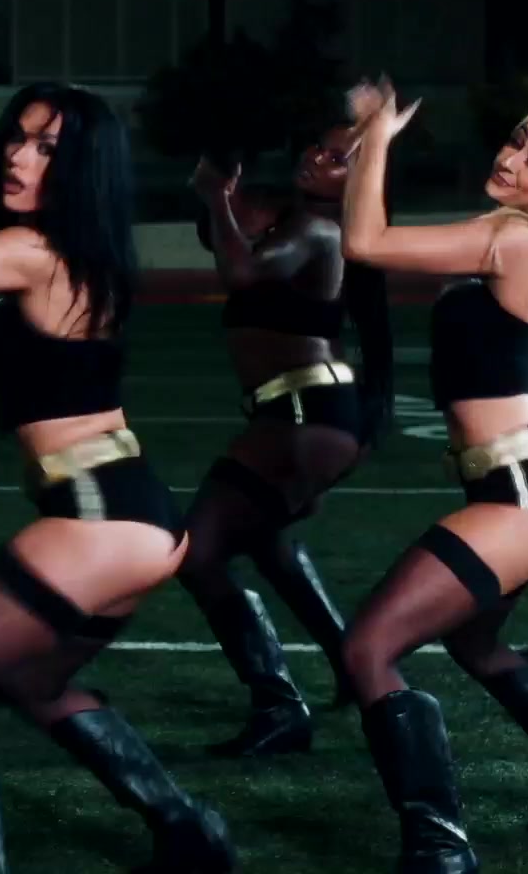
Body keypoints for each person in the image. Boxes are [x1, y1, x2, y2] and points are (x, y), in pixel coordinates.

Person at [0, 84, 234, 873]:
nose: (17, 155)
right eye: (17, 137)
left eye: (48, 148)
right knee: (34, 685)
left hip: (97, 515)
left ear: (82, 169)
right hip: (128, 513)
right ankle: (189, 831)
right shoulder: (55, 250)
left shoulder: (38, 255)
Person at [338, 85, 528, 872]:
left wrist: (377, 139)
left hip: (519, 496)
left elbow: (365, 242)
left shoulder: (514, 236)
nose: (510, 160)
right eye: (516, 142)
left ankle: (440, 847)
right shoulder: (514, 233)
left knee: (369, 648)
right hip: (518, 489)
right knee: (475, 644)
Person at [180, 116, 396, 757]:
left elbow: (243, 274)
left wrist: (215, 197)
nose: (317, 158)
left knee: (197, 552)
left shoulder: (319, 231)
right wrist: (220, 195)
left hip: (303, 414)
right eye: (318, 147)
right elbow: (225, 240)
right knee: (268, 542)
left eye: (338, 158)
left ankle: (278, 706)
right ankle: (350, 665)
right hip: (298, 415)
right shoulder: (296, 222)